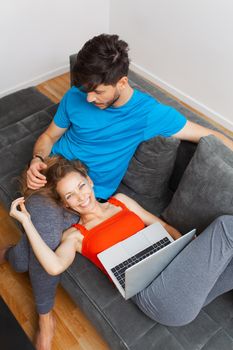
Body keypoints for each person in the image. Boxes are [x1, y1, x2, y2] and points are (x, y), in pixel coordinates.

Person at [3, 33, 233, 349]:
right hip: (52, 178)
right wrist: (37, 161)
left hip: (87, 195)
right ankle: (45, 316)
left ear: (121, 82)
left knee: (35, 245)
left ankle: (15, 257)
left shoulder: (148, 114)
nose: (88, 99)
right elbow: (47, 136)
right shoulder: (75, 97)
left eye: (97, 92)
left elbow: (210, 136)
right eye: (84, 90)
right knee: (44, 228)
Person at [9, 156, 233, 331]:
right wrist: (27, 222)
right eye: (70, 196)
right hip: (157, 298)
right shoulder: (75, 236)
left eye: (80, 186)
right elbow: (54, 266)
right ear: (66, 205)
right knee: (225, 227)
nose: (80, 196)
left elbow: (163, 227)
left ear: (89, 181)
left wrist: (188, 248)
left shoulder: (121, 201)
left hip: (182, 277)